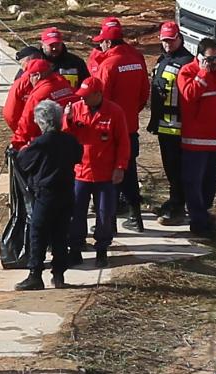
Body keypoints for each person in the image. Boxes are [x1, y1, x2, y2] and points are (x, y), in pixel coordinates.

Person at [14, 100, 82, 291]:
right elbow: (78, 155)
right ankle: (59, 275)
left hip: (46, 194)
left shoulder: (41, 143)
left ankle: (35, 275)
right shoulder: (69, 140)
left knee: (39, 233)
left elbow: (24, 162)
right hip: (67, 192)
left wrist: (25, 149)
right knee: (60, 234)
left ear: (43, 122)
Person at [63, 76, 129, 269]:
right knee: (76, 213)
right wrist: (66, 121)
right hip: (80, 172)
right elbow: (65, 137)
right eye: (80, 96)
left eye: (86, 96)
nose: (82, 99)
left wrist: (120, 167)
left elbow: (123, 143)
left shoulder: (115, 112)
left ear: (98, 95)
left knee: (104, 213)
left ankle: (102, 250)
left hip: (105, 174)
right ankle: (75, 249)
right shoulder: (74, 109)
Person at [91, 20, 151, 233]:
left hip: (110, 129)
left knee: (110, 176)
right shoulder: (137, 58)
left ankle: (109, 223)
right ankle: (136, 218)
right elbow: (145, 93)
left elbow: (100, 99)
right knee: (130, 172)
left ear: (108, 42)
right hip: (131, 127)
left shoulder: (108, 65)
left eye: (102, 43)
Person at [178, 38, 216, 238]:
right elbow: (188, 95)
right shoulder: (188, 72)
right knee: (193, 182)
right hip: (195, 141)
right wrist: (202, 74)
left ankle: (204, 214)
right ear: (199, 58)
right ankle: (198, 222)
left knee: (211, 182)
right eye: (210, 59)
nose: (214, 62)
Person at [146, 21, 194, 227]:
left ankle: (179, 206)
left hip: (178, 126)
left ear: (179, 38)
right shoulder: (162, 59)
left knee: (178, 169)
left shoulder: (187, 62)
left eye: (171, 40)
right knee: (169, 168)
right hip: (163, 124)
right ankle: (174, 200)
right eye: (164, 40)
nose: (167, 44)